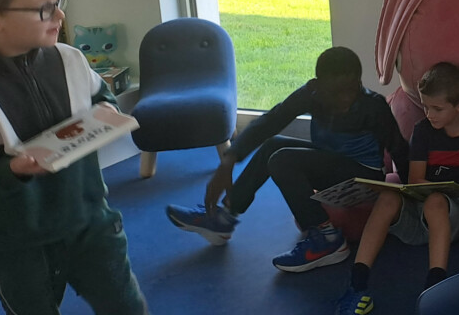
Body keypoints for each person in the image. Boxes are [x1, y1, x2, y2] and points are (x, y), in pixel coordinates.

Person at [0, 0, 166, 315]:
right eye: (44, 9)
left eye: (58, 2)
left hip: (92, 226)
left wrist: (108, 115)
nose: (59, 17)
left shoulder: (71, 59)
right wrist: (13, 170)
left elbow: (102, 100)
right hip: (18, 246)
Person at [166, 46, 409, 272]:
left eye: (351, 90)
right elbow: (271, 121)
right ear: (318, 85)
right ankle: (225, 218)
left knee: (283, 160)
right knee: (273, 145)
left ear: (359, 82)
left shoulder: (373, 106)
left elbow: (398, 148)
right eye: (335, 93)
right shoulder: (310, 94)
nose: (345, 100)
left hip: (364, 178)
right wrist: (228, 161)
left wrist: (414, 196)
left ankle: (327, 239)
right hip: (331, 164)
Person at [328, 61, 459, 315]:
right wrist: (457, 184)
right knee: (388, 197)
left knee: (435, 201)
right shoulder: (423, 130)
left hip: (448, 215)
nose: (429, 114)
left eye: (437, 108)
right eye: (425, 106)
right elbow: (415, 180)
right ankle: (357, 287)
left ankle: (434, 292)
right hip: (418, 211)